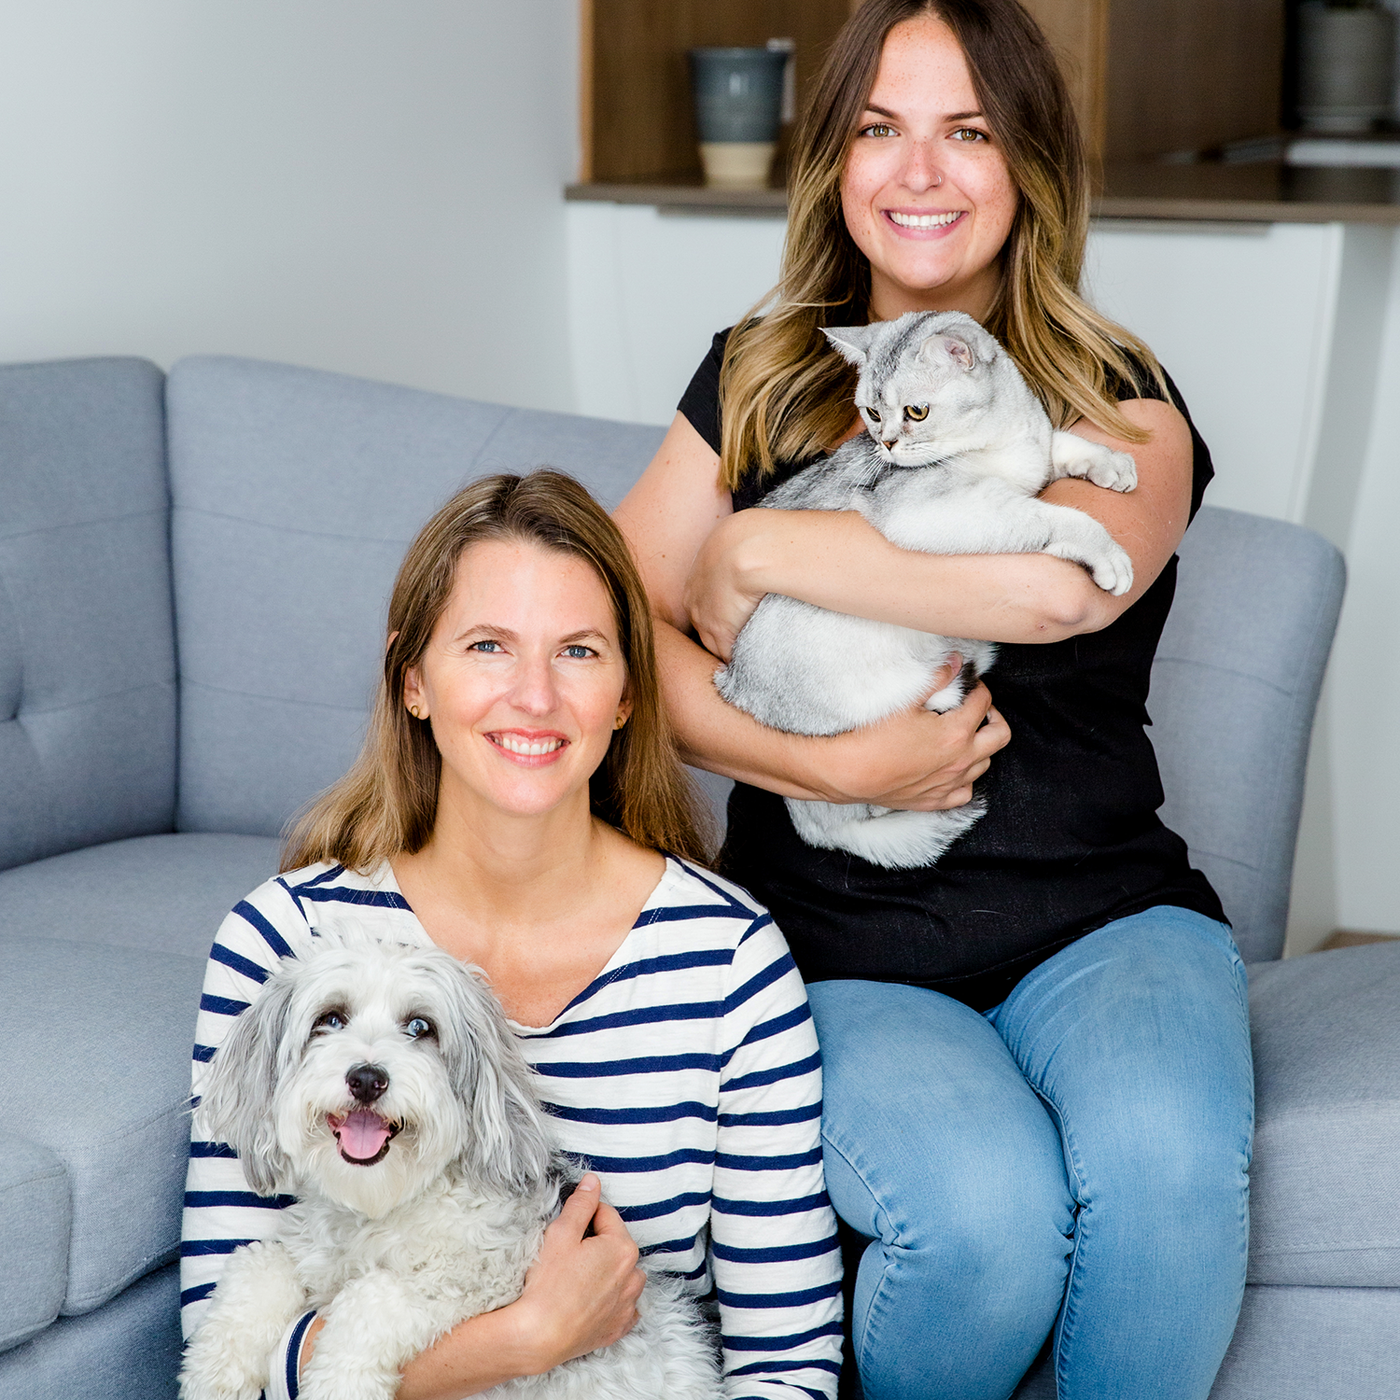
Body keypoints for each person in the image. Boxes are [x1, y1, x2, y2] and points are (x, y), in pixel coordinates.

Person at [613, 3, 1253, 1398]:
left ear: (1028, 162)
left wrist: (756, 545)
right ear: (832, 164)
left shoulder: (1122, 396)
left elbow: (1058, 592)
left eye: (967, 131)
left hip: (1108, 921)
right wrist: (820, 766)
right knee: (980, 1227)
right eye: (878, 129)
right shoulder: (760, 378)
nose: (919, 173)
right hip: (835, 941)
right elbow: (608, 638)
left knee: (1168, 1178)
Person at [180, 471, 842, 1400]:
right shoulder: (282, 938)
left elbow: (789, 1365)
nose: (534, 696)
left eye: (577, 651)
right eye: (488, 645)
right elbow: (219, 1344)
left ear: (624, 695)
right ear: (413, 679)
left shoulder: (730, 960)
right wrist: (522, 1341)